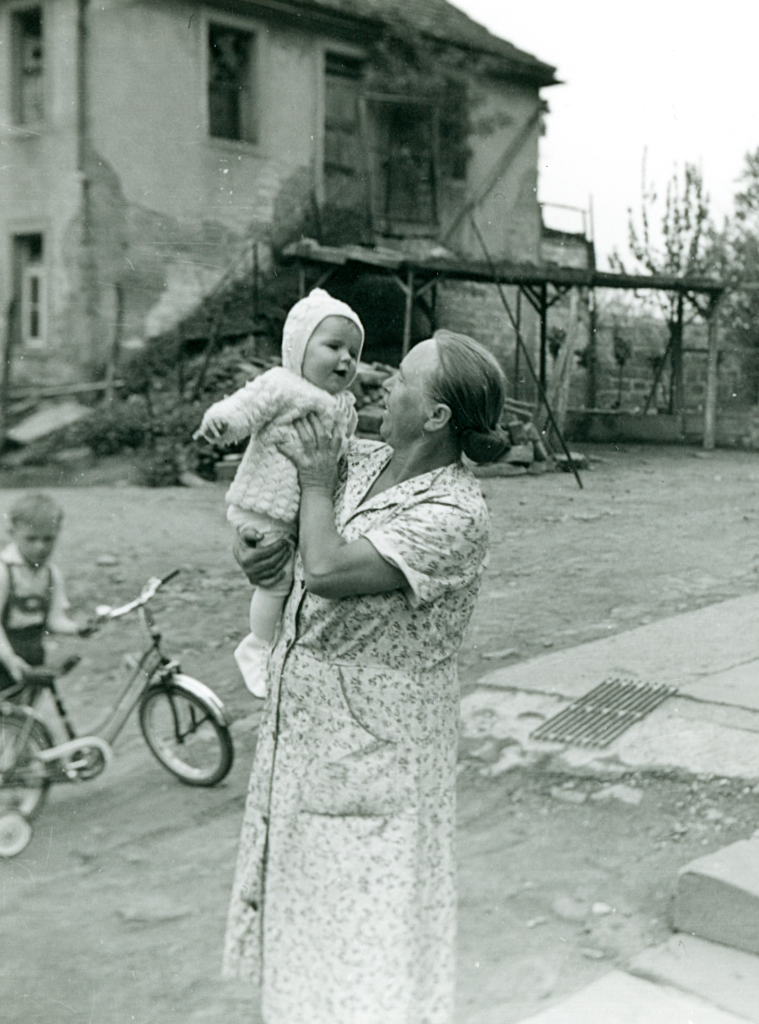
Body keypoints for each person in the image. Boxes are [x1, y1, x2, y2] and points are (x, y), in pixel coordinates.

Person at [222, 329, 510, 1024]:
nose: (384, 384)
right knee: (306, 921)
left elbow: (326, 570)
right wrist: (260, 551)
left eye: (404, 380)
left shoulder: (454, 513)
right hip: (308, 737)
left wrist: (314, 502)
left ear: (437, 416)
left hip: (377, 756)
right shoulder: (364, 460)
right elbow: (291, 527)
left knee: (368, 938)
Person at [195, 288, 365, 697]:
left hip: (300, 512)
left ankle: (277, 645)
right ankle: (256, 646)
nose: (346, 359)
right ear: (299, 349)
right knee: (275, 580)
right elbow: (242, 409)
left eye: (354, 353)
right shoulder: (281, 384)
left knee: (296, 582)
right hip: (265, 507)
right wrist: (220, 423)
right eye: (333, 347)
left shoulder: (344, 404)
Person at [0, 493, 92, 698]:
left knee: (26, 722)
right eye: (31, 539)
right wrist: (9, 658)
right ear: (12, 533)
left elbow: (54, 620)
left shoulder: (50, 574)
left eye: (48, 539)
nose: (40, 547)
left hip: (32, 660)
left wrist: (77, 628)